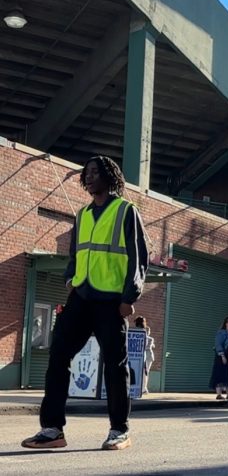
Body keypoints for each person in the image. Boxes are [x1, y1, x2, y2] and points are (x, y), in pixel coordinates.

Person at [22, 156, 148, 451]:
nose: (88, 177)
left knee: (115, 367)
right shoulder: (82, 214)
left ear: (109, 176)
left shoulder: (126, 211)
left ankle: (119, 430)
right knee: (58, 357)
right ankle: (53, 430)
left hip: (111, 302)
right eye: (86, 173)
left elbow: (139, 257)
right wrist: (70, 279)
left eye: (94, 172)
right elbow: (75, 254)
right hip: (80, 297)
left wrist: (130, 297)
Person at [134, 316, 155, 395]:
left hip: (147, 355)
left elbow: (147, 344)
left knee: (145, 372)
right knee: (144, 372)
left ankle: (144, 389)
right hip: (144, 355)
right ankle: (143, 388)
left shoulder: (144, 334)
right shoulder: (145, 335)